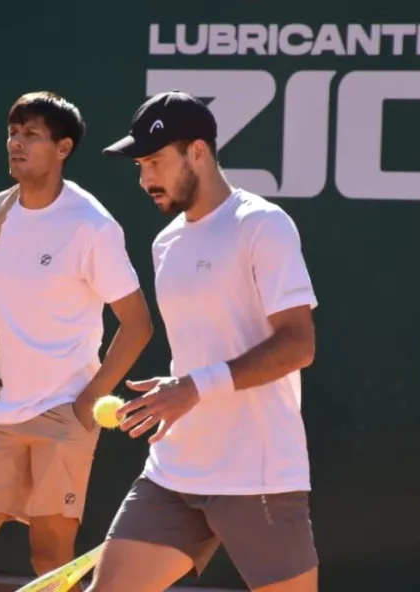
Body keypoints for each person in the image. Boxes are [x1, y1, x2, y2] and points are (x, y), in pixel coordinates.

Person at [88, 91, 321, 592]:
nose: (145, 178)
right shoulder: (165, 243)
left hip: (257, 475)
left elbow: (298, 344)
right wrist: (183, 387)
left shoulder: (262, 225)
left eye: (154, 162)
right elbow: (197, 349)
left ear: (198, 152)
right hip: (175, 471)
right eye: (140, 166)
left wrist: (195, 387)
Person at [0, 91, 154, 592]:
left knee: (50, 556)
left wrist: (87, 401)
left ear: (63, 148)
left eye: (31, 134)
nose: (16, 143)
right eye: (13, 132)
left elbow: (138, 324)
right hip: (1, 412)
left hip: (64, 414)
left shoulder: (91, 226)